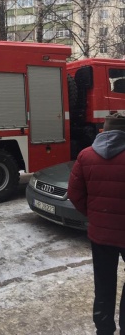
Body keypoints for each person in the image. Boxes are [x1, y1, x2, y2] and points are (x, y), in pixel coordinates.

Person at [68, 113, 125, 335]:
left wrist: (94, 214)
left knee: (103, 284)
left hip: (100, 235)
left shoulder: (85, 156)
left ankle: (104, 329)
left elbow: (74, 194)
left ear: (104, 130)